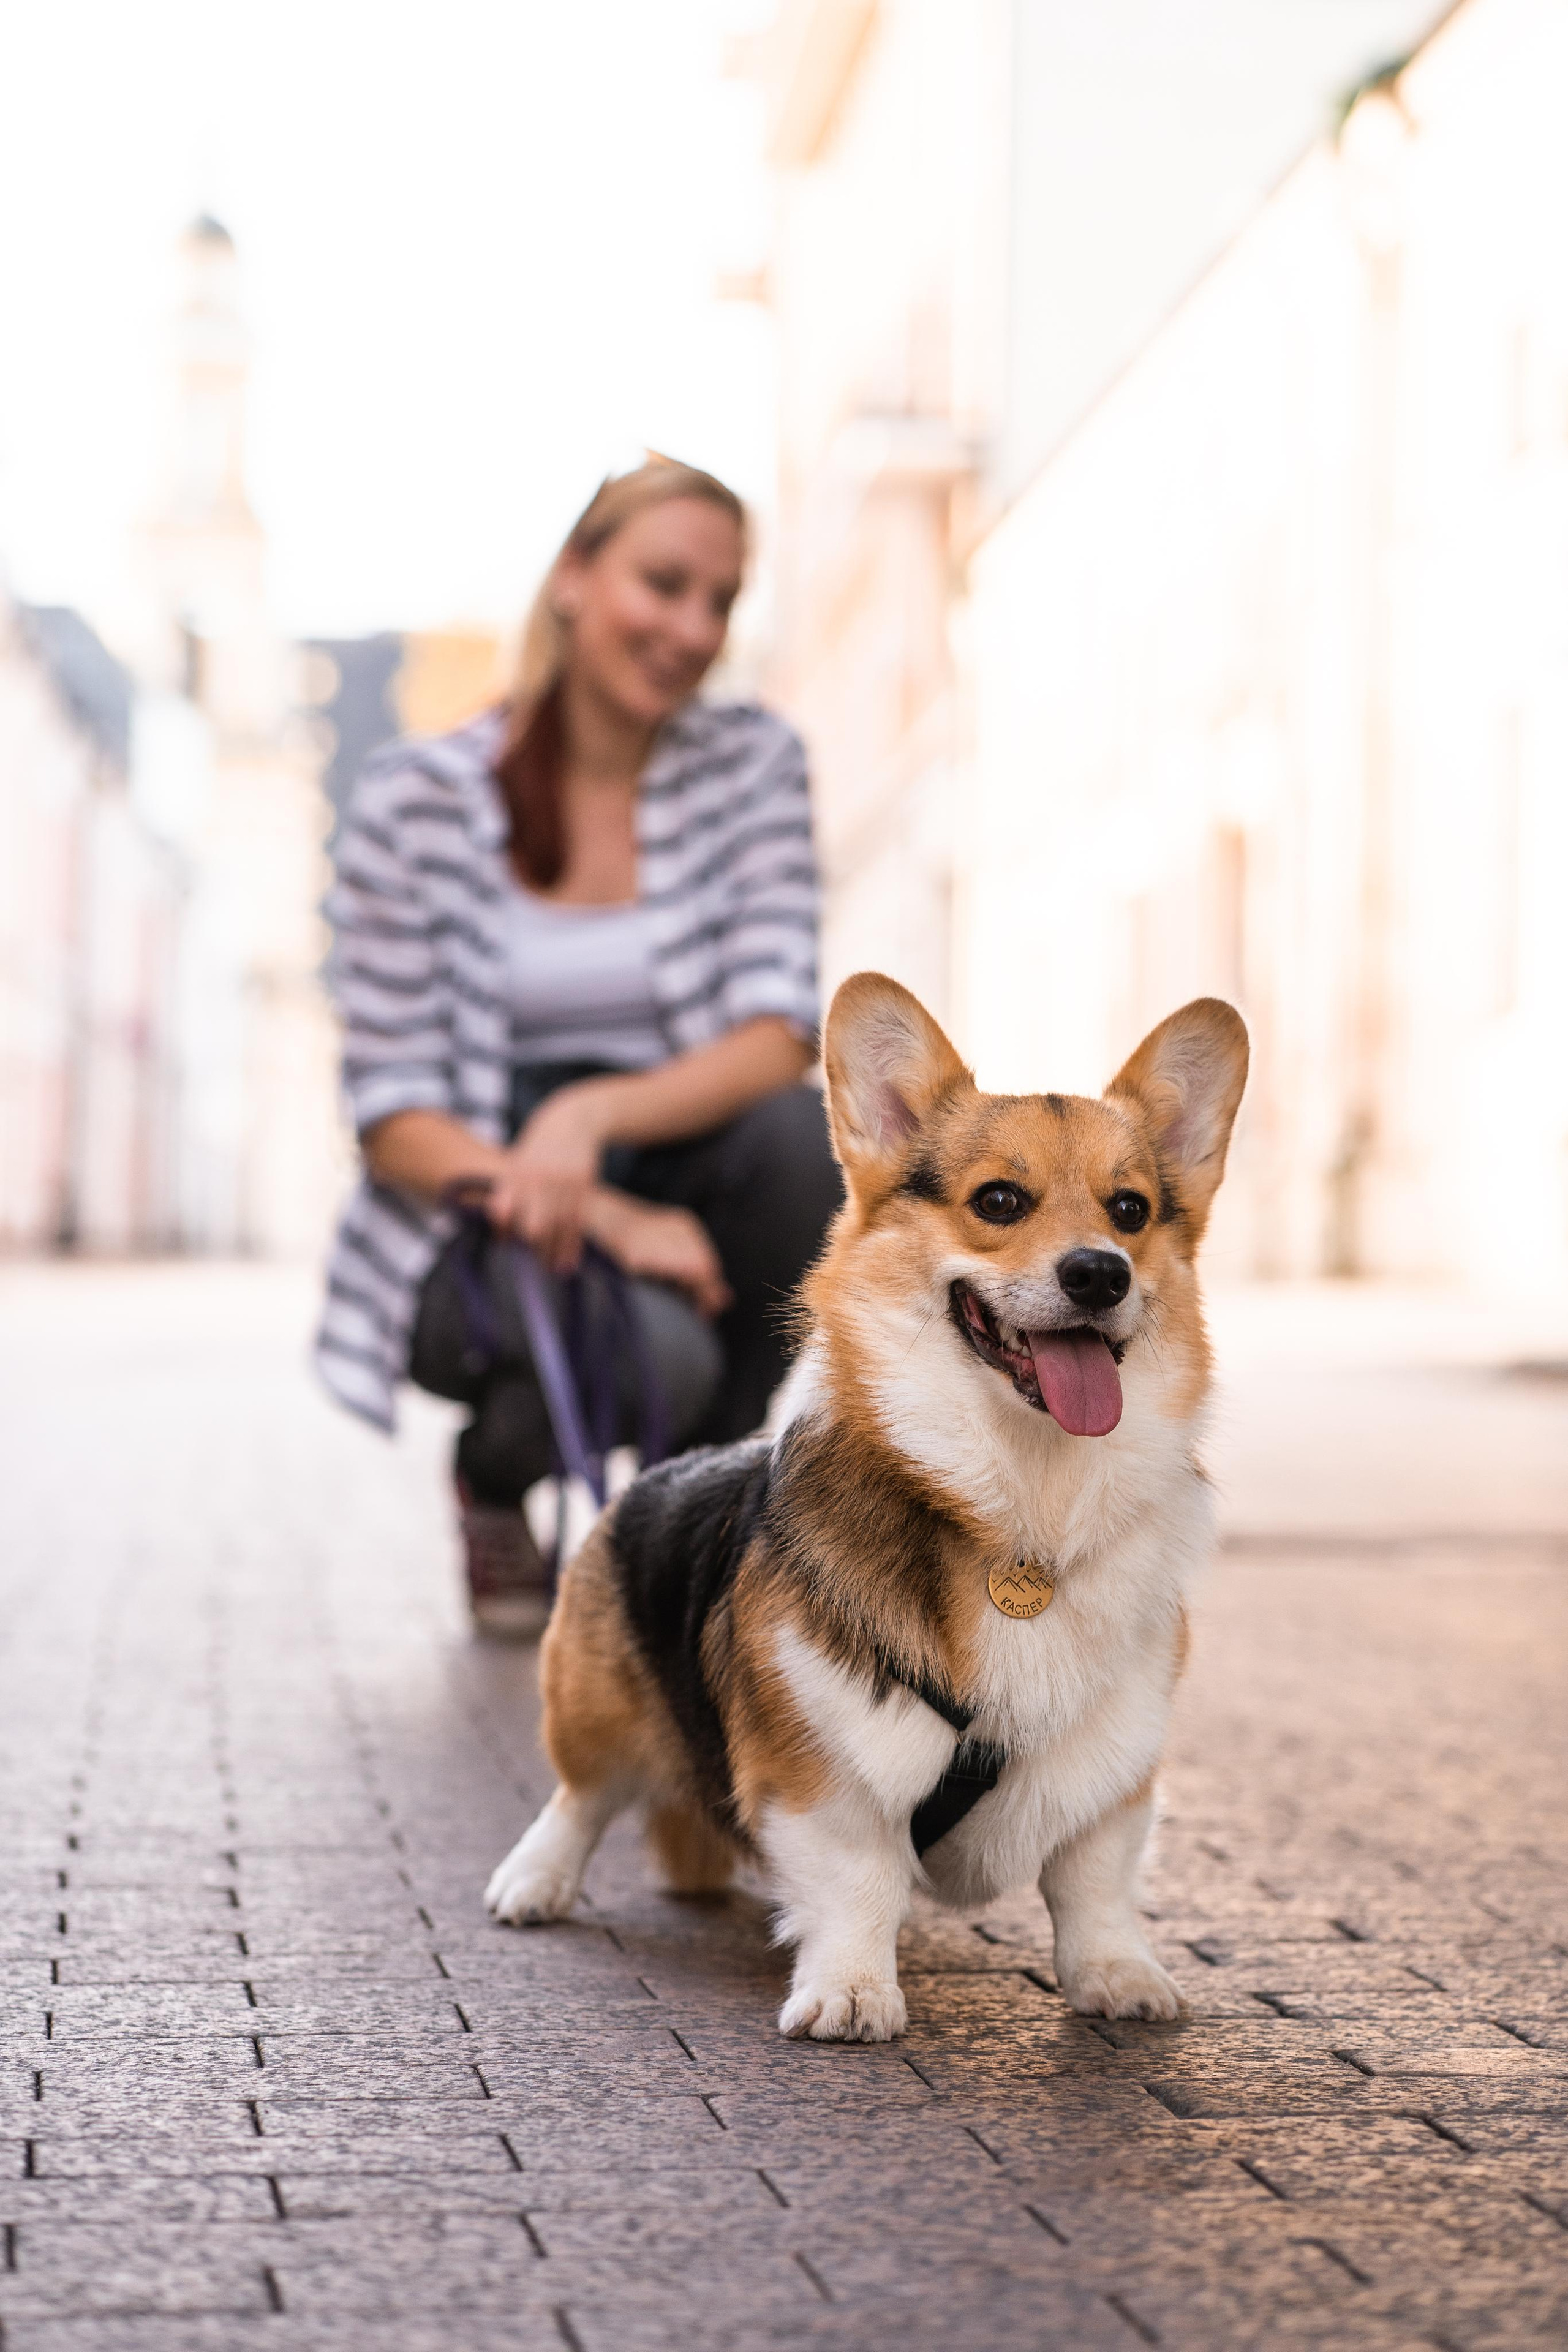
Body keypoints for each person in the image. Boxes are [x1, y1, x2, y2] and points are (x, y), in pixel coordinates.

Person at [315, 459, 842, 1635]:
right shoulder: (419, 800)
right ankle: (497, 1478)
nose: (692, 629)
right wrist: (594, 1206)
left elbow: (776, 1034)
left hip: (683, 1144)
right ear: (572, 577)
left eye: (721, 600)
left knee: (808, 1152)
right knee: (658, 1357)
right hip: (477, 1198)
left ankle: (701, 1554)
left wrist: (592, 1119)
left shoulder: (752, 764)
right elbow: (394, 1111)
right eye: (664, 583)